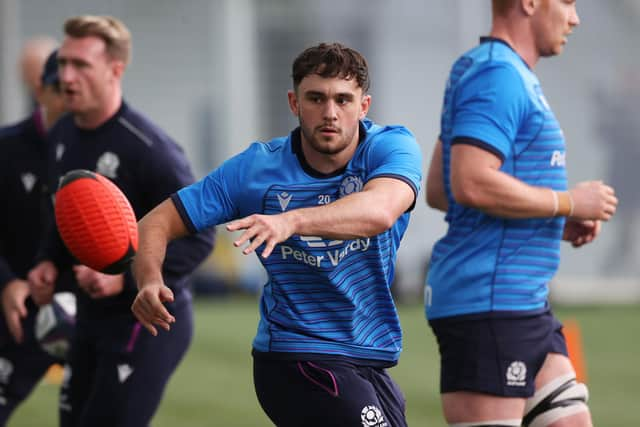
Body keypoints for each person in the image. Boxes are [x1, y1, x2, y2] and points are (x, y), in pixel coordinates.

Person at [131, 42, 422, 427]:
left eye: (343, 100)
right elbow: (155, 222)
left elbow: (380, 211)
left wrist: (290, 221)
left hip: (368, 353)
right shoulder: (256, 169)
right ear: (294, 102)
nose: (330, 113)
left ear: (364, 106)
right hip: (295, 356)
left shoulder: (391, 148)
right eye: (315, 98)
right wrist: (149, 280)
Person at [424, 1, 618, 426]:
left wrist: (551, 222)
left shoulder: (493, 69)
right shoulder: (497, 76)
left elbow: (442, 190)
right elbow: (470, 182)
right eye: (567, 2)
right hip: (488, 304)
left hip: (525, 305)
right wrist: (568, 202)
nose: (575, 17)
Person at [27, 15, 214, 427]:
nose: (66, 76)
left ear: (115, 69)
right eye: (64, 62)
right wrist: (47, 263)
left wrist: (123, 278)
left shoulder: (150, 150)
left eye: (81, 65)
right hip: (89, 319)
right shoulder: (62, 137)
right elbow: (67, 219)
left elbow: (200, 238)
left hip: (144, 323)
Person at [0, 49, 66, 425]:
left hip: (83, 310)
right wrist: (7, 283)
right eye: (60, 88)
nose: (70, 100)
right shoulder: (7, 147)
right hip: (15, 312)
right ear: (40, 91)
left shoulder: (108, 150)